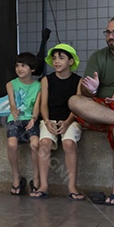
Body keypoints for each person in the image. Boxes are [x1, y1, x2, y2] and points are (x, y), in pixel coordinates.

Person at [68, 18, 114, 205]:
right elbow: (85, 94)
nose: (111, 36)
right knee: (74, 100)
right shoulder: (98, 56)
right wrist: (91, 89)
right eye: (108, 32)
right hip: (100, 111)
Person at [37, 44, 83, 200]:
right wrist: (46, 120)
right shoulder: (46, 80)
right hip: (49, 119)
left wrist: (68, 122)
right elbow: (43, 104)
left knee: (69, 143)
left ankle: (72, 187)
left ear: (70, 61)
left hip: (70, 119)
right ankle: (43, 185)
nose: (56, 61)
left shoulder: (78, 81)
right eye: (54, 58)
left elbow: (77, 106)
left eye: (61, 58)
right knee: (44, 143)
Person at [5, 52, 42, 196]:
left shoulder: (38, 86)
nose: (19, 69)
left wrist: (34, 118)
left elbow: (37, 106)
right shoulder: (11, 84)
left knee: (35, 144)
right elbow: (12, 104)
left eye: (23, 66)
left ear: (32, 69)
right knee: (12, 144)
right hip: (15, 119)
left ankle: (36, 178)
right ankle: (16, 177)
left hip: (30, 118)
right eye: (17, 66)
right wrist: (14, 111)